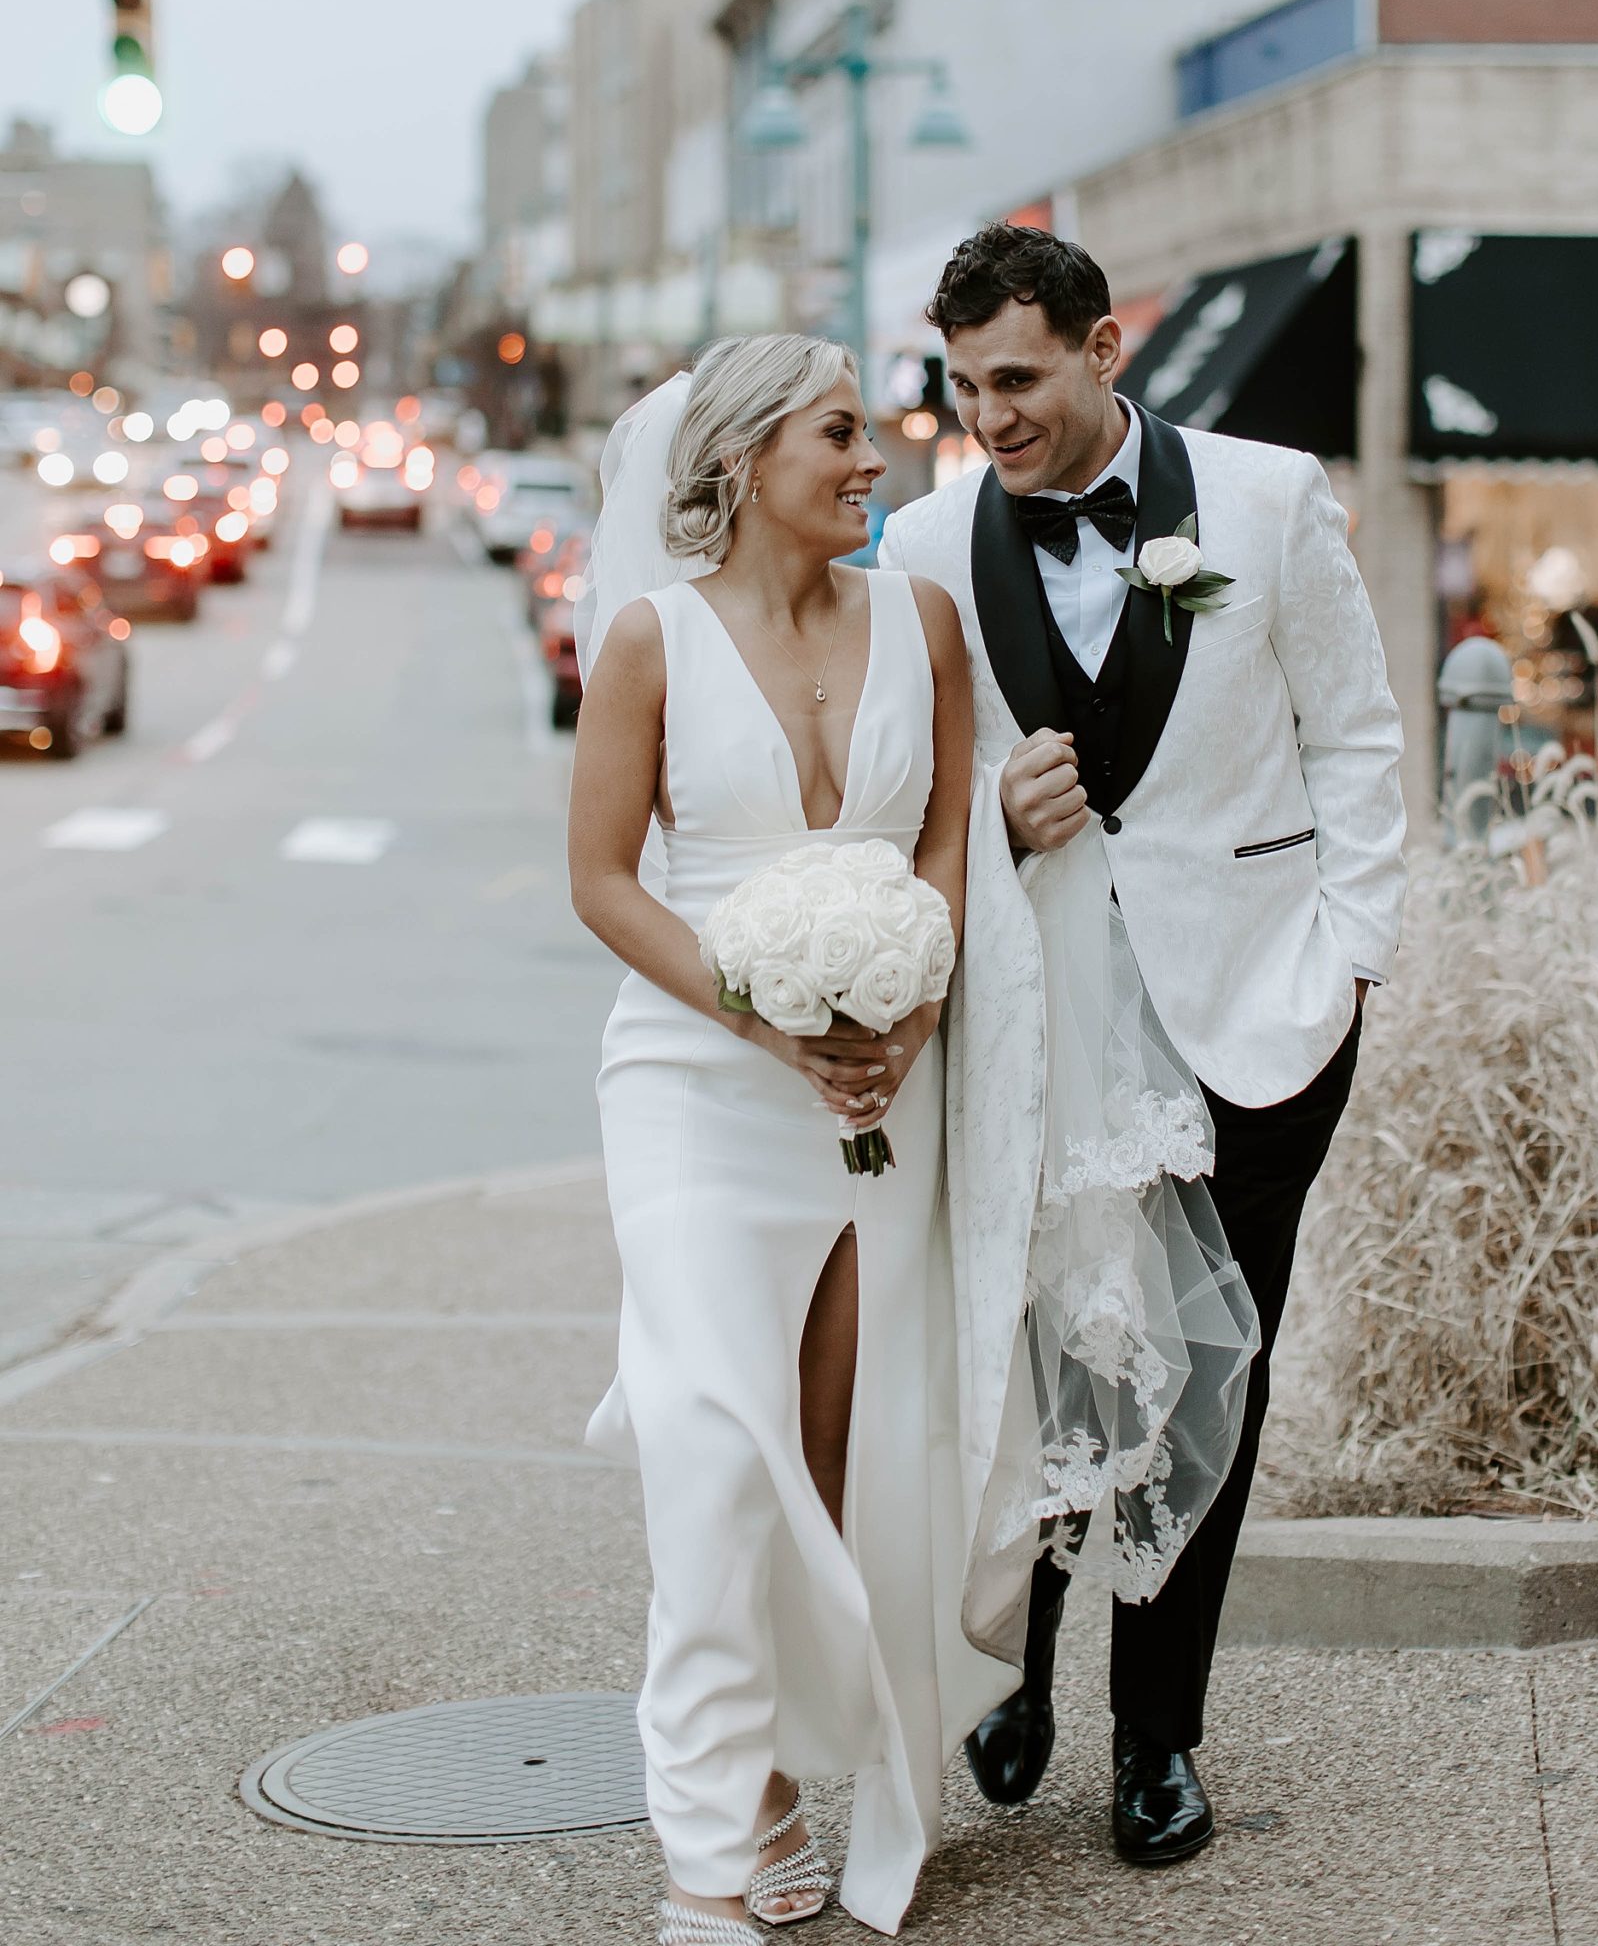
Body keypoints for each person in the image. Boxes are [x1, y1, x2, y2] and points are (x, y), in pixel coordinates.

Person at [879, 224, 1407, 1869]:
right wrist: (986, 822)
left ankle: (1157, 1734)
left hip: (1258, 1013)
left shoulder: (1265, 496)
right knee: (1041, 1349)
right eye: (964, 387)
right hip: (1039, 1030)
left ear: (1109, 349)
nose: (991, 419)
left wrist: (1353, 962)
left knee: (1208, 1388)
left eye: (1019, 379)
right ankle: (1016, 1667)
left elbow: (1360, 732)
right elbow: (904, 791)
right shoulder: (924, 537)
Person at [567, 335, 1015, 1943]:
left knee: (845, 1456)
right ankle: (711, 1852)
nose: (877, 456)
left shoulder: (926, 624)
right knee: (708, 1445)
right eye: (842, 433)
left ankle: (805, 1768)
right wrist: (762, 1018)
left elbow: (949, 834)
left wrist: (911, 1007)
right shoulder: (651, 642)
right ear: (752, 457)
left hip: (885, 1093)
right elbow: (605, 879)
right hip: (697, 1085)